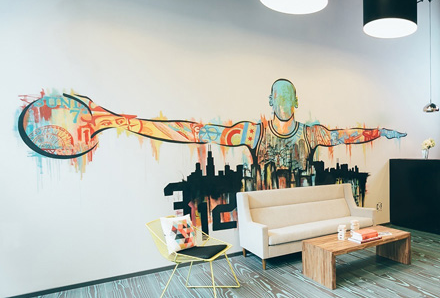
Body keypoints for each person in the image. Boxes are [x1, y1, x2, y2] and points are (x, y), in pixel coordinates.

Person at [18, 79, 406, 188]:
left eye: (289, 96)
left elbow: (348, 136)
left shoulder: (313, 133)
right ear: (270, 101)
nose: (285, 102)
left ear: (296, 101)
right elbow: (195, 132)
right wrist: (125, 122)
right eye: (279, 96)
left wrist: (380, 132)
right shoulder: (252, 132)